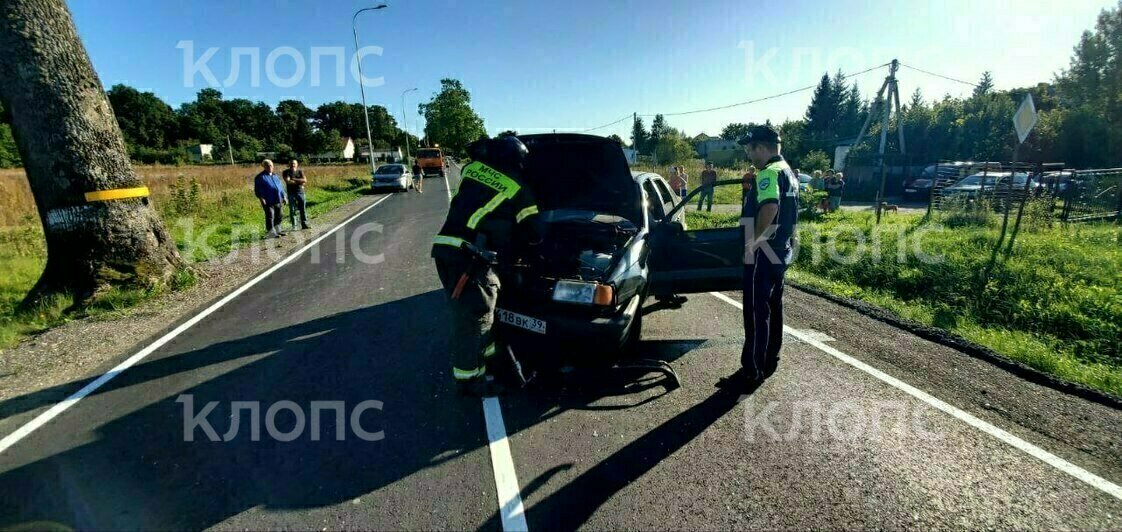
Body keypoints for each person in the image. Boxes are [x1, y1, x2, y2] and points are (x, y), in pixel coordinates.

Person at [432, 136, 542, 396]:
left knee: (478, 314)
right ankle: (470, 380)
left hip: (445, 248)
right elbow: (534, 234)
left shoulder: (472, 169)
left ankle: (491, 360)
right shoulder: (518, 189)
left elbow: (475, 151)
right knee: (474, 319)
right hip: (470, 259)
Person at [720, 124, 799, 391]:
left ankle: (752, 369)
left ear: (761, 147)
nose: (748, 154)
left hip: (764, 253)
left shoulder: (768, 173)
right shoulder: (788, 171)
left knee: (756, 312)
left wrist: (753, 242)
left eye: (749, 148)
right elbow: (791, 212)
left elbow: (770, 207)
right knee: (774, 307)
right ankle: (769, 358)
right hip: (781, 249)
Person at [254, 159, 287, 238]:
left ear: (273, 166)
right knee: (270, 216)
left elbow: (281, 187)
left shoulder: (275, 176)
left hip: (278, 199)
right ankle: (271, 233)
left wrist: (284, 196)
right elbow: (257, 189)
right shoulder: (260, 177)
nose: (270, 167)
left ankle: (278, 230)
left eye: (271, 165)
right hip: (268, 200)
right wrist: (261, 198)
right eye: (267, 165)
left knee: (279, 215)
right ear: (264, 167)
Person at [283, 159, 310, 230]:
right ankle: (294, 226)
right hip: (291, 193)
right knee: (292, 210)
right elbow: (288, 182)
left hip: (300, 192)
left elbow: (305, 180)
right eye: (291, 163)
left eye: (294, 163)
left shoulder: (300, 171)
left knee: (303, 209)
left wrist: (294, 179)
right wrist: (300, 182)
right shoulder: (286, 172)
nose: (293, 165)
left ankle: (304, 224)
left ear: (297, 164)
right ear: (289, 164)